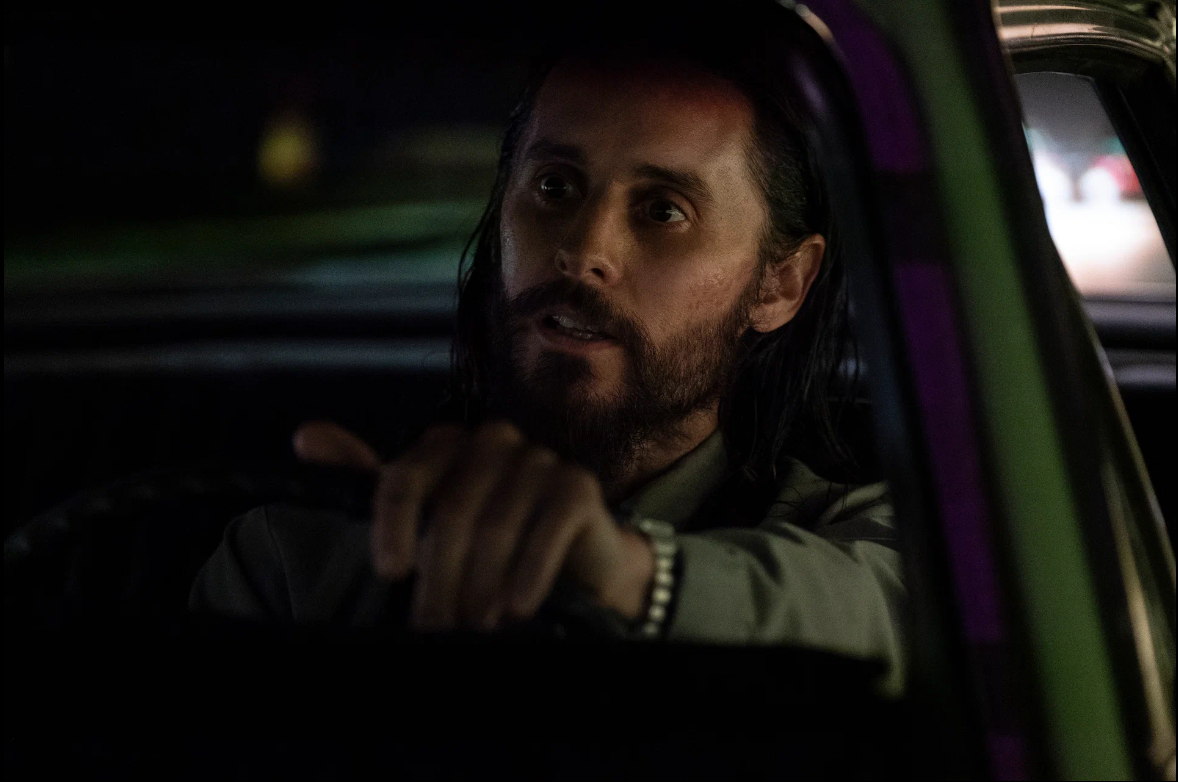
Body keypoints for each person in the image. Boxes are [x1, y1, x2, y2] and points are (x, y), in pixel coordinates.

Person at [191, 7, 907, 692]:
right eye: (554, 187)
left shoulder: (865, 540)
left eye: (663, 210)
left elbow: (892, 619)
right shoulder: (301, 556)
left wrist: (625, 575)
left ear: (780, 285)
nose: (583, 250)